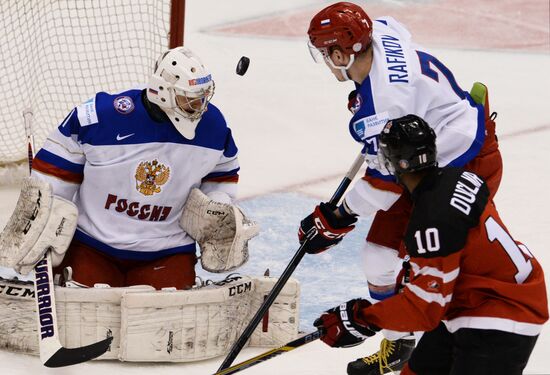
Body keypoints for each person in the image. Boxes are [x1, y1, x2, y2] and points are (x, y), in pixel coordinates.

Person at [301, 2, 502, 373]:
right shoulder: (379, 32)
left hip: (462, 165)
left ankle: (433, 350)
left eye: (326, 54)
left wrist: (337, 218)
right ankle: (400, 344)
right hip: (435, 154)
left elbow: (384, 186)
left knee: (438, 268)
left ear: (341, 53)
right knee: (379, 255)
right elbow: (395, 29)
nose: (326, 63)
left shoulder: (384, 109)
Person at [312, 114, 548, 375]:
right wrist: (423, 276)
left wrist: (364, 318)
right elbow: (464, 246)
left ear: (398, 163)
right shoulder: (459, 177)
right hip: (485, 296)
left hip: (500, 316)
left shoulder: (430, 219)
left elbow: (425, 311)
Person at [20, 46, 257, 289]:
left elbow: (223, 173)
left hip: (167, 249)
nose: (200, 106)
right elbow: (58, 161)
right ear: (163, 91)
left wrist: (218, 204)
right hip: (93, 244)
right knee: (85, 317)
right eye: (190, 99)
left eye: (203, 97)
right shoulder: (103, 117)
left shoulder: (213, 128)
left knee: (168, 322)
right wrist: (43, 213)